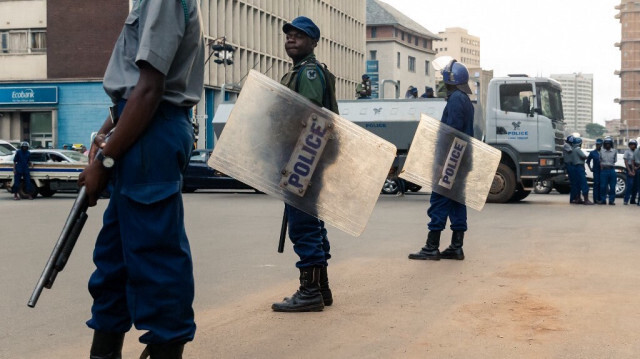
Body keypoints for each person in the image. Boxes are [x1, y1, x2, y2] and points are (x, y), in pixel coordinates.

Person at [77, 0, 204, 358]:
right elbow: (133, 92)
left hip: (151, 130)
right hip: (137, 127)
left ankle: (166, 346)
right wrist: (106, 137)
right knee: (114, 261)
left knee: (155, 257)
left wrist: (105, 161)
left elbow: (149, 89)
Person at [272, 16, 338, 313]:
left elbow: (309, 116)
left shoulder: (309, 72)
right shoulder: (300, 70)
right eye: (289, 35)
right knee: (312, 221)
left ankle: (310, 291)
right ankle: (321, 288)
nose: (291, 39)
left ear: (313, 42)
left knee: (303, 225)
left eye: (299, 35)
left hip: (305, 156)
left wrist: (299, 161)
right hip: (306, 157)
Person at [408, 59, 474, 261]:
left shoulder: (455, 99)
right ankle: (456, 246)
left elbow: (450, 132)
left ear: (450, 79)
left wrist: (440, 162)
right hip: (462, 158)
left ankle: (431, 247)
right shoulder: (466, 100)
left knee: (439, 200)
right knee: (456, 201)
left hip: (451, 159)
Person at [571, 137, 593, 205]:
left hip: (574, 167)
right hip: (579, 167)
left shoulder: (572, 149)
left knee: (577, 184)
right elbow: (583, 156)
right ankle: (586, 200)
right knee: (584, 184)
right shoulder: (577, 149)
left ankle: (578, 199)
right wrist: (589, 156)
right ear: (579, 143)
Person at [599, 137, 617, 205]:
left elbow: (615, 160)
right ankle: (603, 200)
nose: (607, 145)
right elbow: (600, 159)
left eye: (609, 144)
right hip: (604, 170)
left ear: (611, 144)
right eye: (606, 144)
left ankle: (611, 200)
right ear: (604, 144)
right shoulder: (601, 151)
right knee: (603, 186)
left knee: (612, 186)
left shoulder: (614, 151)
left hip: (611, 170)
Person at [586, 138, 602, 203]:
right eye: (597, 144)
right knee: (596, 184)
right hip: (596, 170)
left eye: (599, 144)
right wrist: (590, 168)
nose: (598, 146)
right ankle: (595, 199)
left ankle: (601, 199)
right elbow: (588, 161)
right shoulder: (592, 153)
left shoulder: (604, 152)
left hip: (603, 170)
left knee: (602, 185)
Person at [563, 136, 578, 203]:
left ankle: (574, 198)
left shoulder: (569, 145)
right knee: (573, 183)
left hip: (571, 165)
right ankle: (572, 199)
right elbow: (571, 151)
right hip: (569, 164)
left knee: (575, 183)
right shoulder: (567, 145)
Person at [623, 139, 637, 205]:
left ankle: (633, 200)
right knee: (630, 185)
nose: (632, 146)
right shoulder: (627, 152)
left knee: (635, 186)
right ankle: (626, 200)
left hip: (636, 168)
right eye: (631, 144)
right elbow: (626, 162)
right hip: (629, 168)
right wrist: (629, 171)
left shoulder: (637, 152)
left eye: (633, 144)